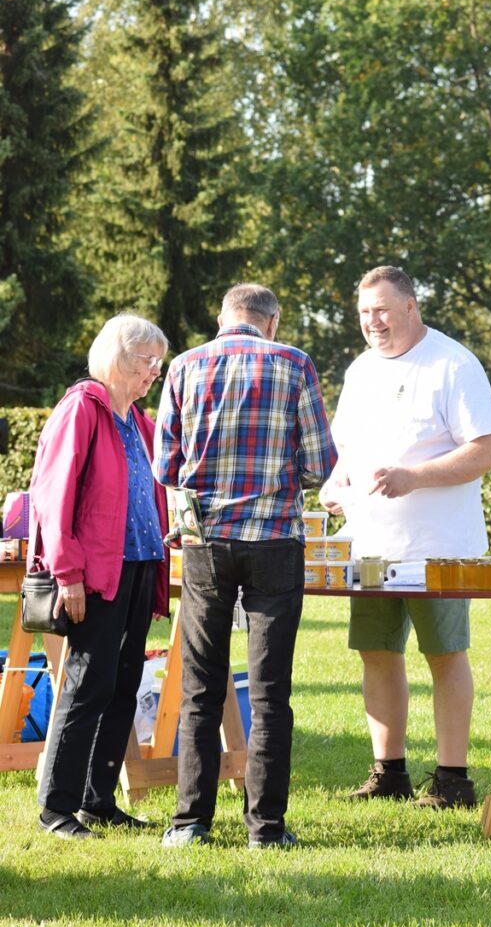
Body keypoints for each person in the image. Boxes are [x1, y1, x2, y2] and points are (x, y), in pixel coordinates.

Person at [153, 283, 337, 848]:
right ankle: (266, 828)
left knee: (202, 687)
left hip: (206, 541)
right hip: (276, 540)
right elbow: (318, 463)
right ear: (272, 322)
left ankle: (190, 823)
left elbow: (166, 464)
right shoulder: (295, 364)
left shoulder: (184, 365)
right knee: (269, 690)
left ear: (222, 318)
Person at [320, 265, 491, 809]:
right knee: (376, 653)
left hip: (438, 547)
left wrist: (415, 478)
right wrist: (336, 484)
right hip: (371, 546)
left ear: (410, 306)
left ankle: (453, 780)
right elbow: (346, 453)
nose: (372, 322)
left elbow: (489, 448)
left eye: (381, 309)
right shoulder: (359, 371)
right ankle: (390, 771)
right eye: (363, 313)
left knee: (445, 655)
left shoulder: (453, 363)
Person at [31, 313, 170, 839]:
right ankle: (56, 807)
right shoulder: (82, 410)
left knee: (123, 683)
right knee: (88, 684)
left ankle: (97, 800)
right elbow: (53, 496)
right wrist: (67, 573)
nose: (154, 371)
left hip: (136, 566)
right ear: (116, 357)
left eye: (158, 362)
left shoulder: (137, 419)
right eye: (145, 361)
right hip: (93, 574)